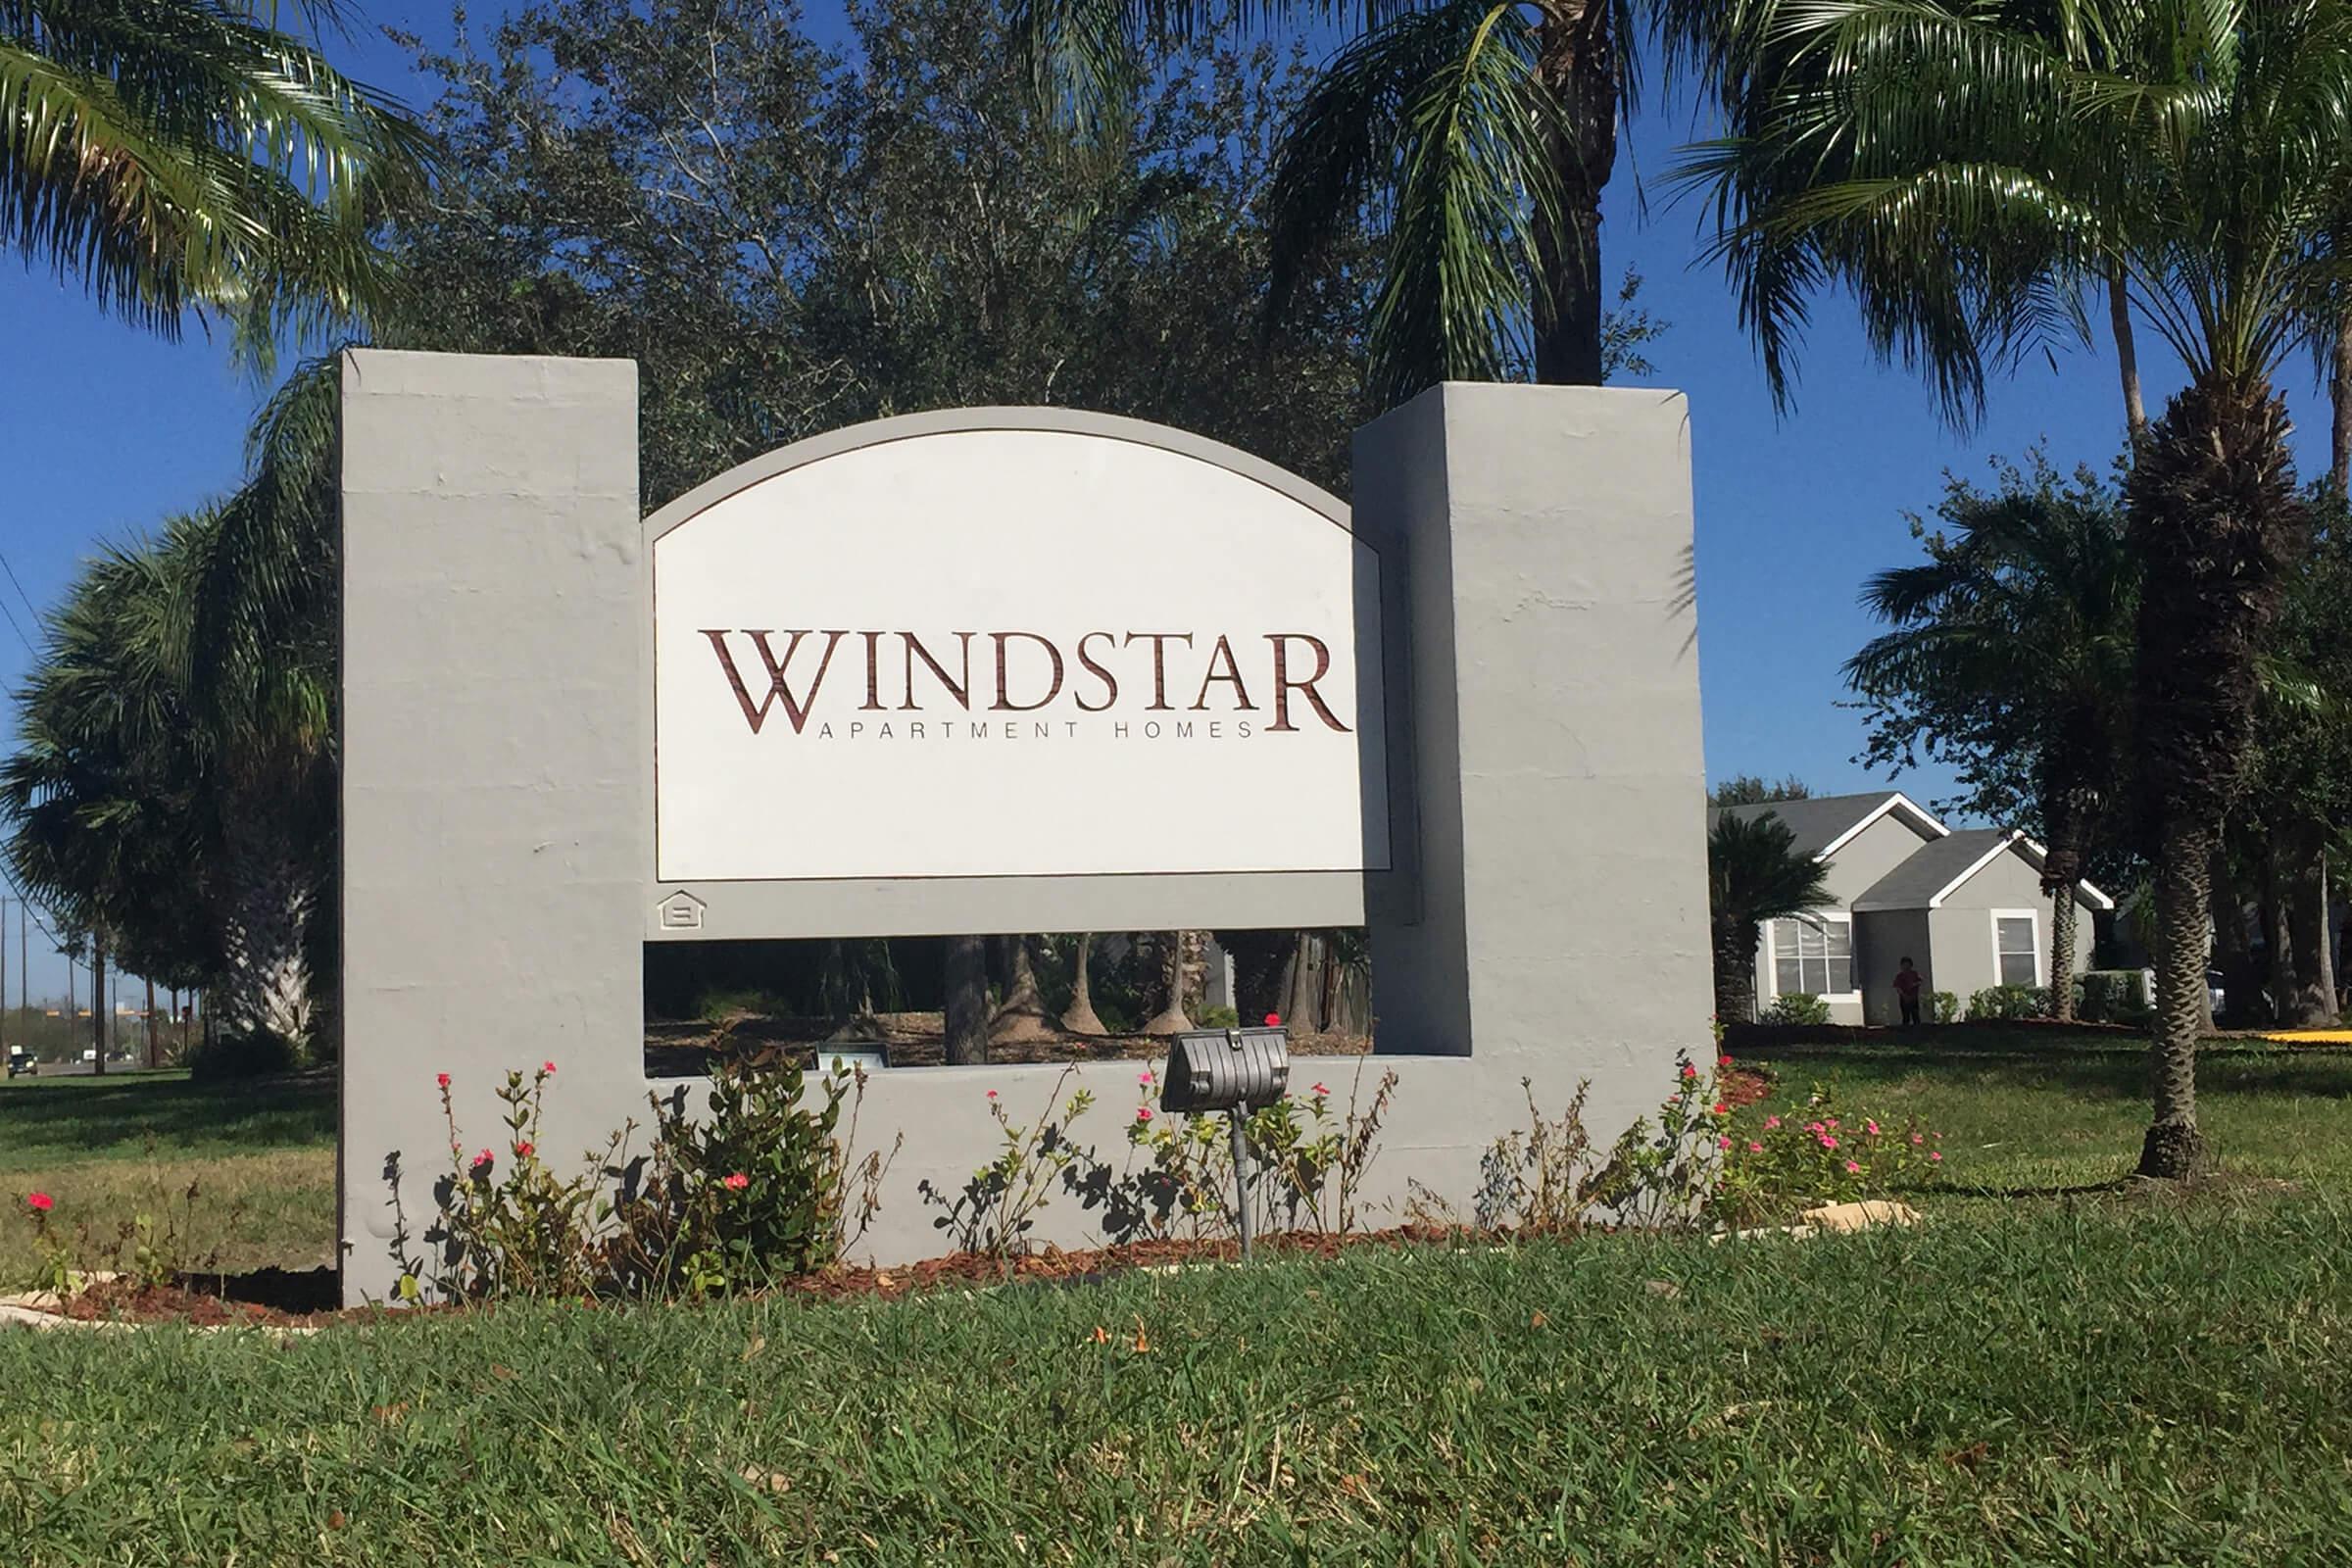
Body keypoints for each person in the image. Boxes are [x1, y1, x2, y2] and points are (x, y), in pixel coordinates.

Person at [1893, 956, 1924, 1026]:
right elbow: (1897, 987)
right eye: (1904, 965)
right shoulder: (1900, 976)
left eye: (1908, 965)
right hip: (1904, 999)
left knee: (1915, 1016)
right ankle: (1906, 1032)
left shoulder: (1914, 974)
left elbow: (1920, 981)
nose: (1906, 967)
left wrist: (1914, 985)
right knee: (1906, 1017)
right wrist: (1904, 996)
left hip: (1914, 998)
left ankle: (1918, 1032)